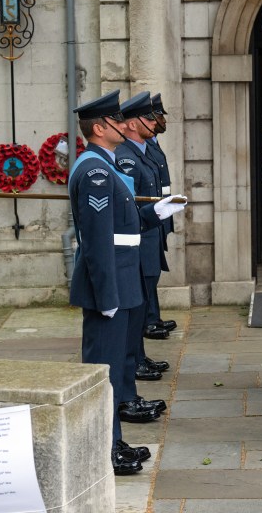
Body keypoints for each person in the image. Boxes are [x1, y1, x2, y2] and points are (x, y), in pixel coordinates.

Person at [68, 90, 186, 475]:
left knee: (115, 368)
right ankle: (103, 449)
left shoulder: (105, 164)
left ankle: (113, 442)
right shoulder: (96, 171)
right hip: (111, 285)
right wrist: (106, 295)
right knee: (102, 370)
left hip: (122, 280)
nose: (125, 126)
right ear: (100, 128)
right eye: (117, 121)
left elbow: (125, 222)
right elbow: (99, 240)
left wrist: (155, 212)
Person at [114, 92, 171, 386]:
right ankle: (134, 360)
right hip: (140, 238)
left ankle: (139, 355)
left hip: (150, 236)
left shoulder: (143, 151)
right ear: (134, 123)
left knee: (143, 302)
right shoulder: (126, 156)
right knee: (137, 308)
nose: (154, 123)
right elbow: (131, 206)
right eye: (148, 118)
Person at [146, 92, 178, 335]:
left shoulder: (152, 144)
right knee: (148, 273)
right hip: (151, 218)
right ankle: (149, 319)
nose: (164, 122)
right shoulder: (142, 146)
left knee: (153, 271)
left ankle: (153, 316)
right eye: (160, 117)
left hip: (159, 215)